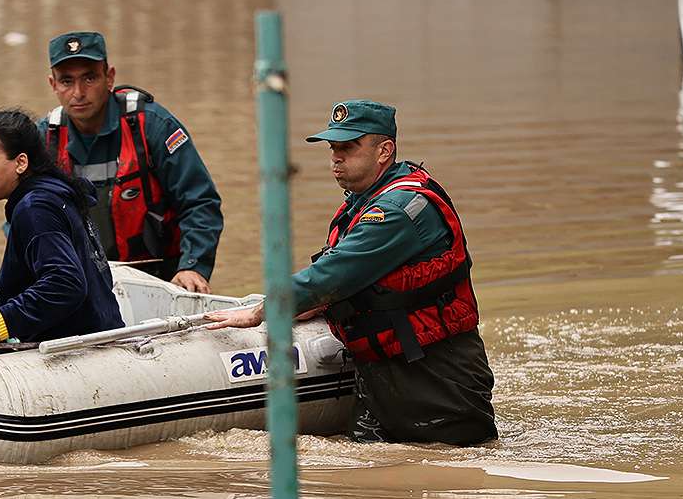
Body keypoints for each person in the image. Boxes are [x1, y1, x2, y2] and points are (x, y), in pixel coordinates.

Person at [206, 100, 497, 445]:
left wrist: (259, 311)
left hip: (434, 374)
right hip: (381, 370)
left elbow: (333, 273)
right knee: (364, 477)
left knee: (447, 476)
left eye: (348, 147)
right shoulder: (364, 200)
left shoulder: (395, 211)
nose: (336, 157)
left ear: (384, 151)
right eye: (333, 148)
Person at [37, 31, 223, 292]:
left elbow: (200, 202)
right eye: (66, 81)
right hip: (80, 282)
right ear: (53, 84)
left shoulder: (153, 126)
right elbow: (22, 218)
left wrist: (192, 266)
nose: (78, 93)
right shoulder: (44, 139)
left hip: (159, 278)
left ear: (109, 77)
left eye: (89, 78)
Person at [0, 108, 126, 354]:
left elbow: (65, 283)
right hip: (104, 330)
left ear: (21, 163)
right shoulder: (54, 193)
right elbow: (40, 275)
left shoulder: (35, 208)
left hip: (83, 350)